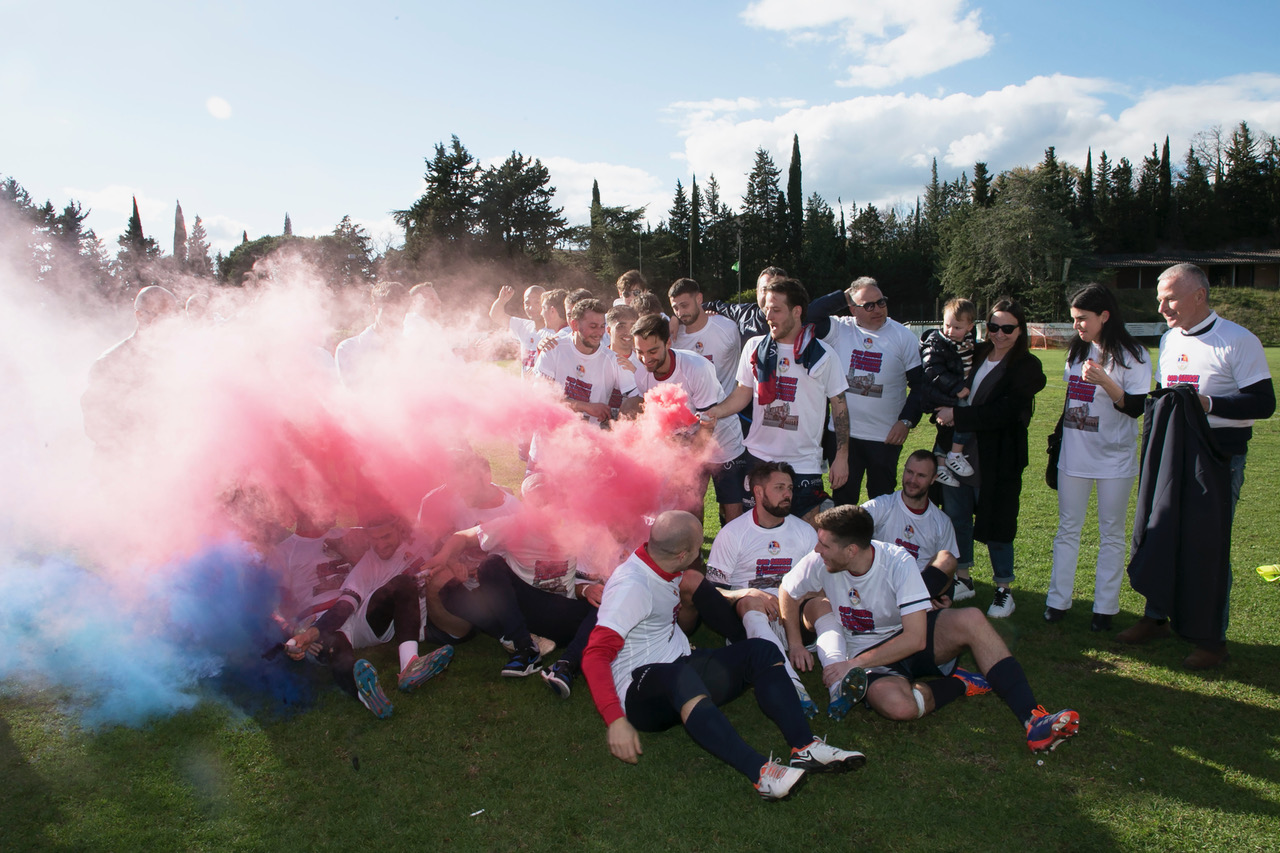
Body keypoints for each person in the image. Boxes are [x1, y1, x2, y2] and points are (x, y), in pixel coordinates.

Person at [581, 510, 866, 801]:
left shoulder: (661, 563)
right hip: (640, 691)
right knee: (680, 677)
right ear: (684, 554)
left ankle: (805, 747)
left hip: (679, 664)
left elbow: (697, 588)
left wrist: (744, 595)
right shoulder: (632, 587)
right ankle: (761, 774)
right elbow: (594, 655)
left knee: (762, 651)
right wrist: (615, 720)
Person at [779, 505, 1080, 753]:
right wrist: (794, 643)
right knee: (900, 708)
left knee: (971, 618)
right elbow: (787, 591)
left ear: (851, 550)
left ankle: (1033, 718)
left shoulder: (896, 561)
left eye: (824, 544)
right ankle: (961, 683)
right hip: (868, 654)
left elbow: (915, 637)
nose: (817, 549)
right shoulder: (820, 561)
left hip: (904, 642)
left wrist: (852, 664)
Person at [1118, 263, 1275, 669]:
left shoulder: (1238, 341)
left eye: (1170, 298)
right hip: (1173, 453)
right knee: (1161, 529)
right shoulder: (1170, 340)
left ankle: (1211, 639)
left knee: (1207, 543)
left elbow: (1263, 403)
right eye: (1159, 299)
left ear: (1199, 296)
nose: (1162, 307)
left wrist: (1209, 405)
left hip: (1218, 459)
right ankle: (1156, 618)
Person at [1046, 285, 1151, 631]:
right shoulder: (1077, 351)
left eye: (1082, 319)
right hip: (1074, 457)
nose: (1076, 325)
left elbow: (1136, 408)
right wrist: (1057, 447)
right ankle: (1057, 601)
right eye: (1074, 319)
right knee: (1067, 529)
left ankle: (1105, 608)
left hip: (1114, 460)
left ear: (1104, 316)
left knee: (1111, 533)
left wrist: (1107, 381)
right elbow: (1071, 404)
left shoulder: (1133, 354)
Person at [703, 278, 850, 523]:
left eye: (777, 309)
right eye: (766, 309)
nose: (768, 316)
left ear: (797, 311)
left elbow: (840, 406)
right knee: (757, 536)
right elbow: (742, 394)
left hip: (803, 463)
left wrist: (842, 457)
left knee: (805, 539)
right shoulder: (754, 346)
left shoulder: (823, 354)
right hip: (759, 458)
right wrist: (715, 411)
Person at [934, 298, 1046, 618]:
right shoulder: (978, 353)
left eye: (1007, 328)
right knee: (957, 518)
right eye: (993, 327)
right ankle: (964, 578)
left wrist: (959, 416)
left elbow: (1005, 412)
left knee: (998, 523)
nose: (999, 333)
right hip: (959, 453)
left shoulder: (1026, 367)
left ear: (1020, 330)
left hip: (997, 459)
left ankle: (1003, 589)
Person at [426, 475, 598, 684]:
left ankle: (566, 665)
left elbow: (592, 572)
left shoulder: (577, 528)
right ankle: (525, 648)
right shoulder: (514, 525)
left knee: (606, 603)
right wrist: (444, 556)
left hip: (561, 617)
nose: (544, 509)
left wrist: (589, 590)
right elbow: (463, 536)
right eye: (537, 503)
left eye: (550, 501)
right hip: (525, 610)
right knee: (487, 567)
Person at [285, 513, 454, 719]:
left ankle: (410, 665)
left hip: (360, 614)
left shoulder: (349, 533)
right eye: (374, 539)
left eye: (385, 537)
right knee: (335, 647)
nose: (379, 544)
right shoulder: (285, 550)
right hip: (325, 619)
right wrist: (302, 632)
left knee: (403, 583)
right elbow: (273, 604)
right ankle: (365, 694)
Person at [704, 462, 821, 716]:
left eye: (789, 488)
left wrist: (789, 599)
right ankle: (793, 685)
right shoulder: (733, 533)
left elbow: (819, 583)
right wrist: (746, 592)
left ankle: (839, 672)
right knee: (751, 602)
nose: (787, 494)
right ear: (758, 492)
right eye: (779, 488)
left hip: (794, 616)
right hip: (749, 619)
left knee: (823, 602)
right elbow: (712, 591)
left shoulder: (804, 532)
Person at [631, 312, 749, 523]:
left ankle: (732, 554)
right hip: (688, 443)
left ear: (668, 343)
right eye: (639, 351)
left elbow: (707, 424)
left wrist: (687, 465)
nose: (646, 359)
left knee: (731, 509)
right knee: (690, 505)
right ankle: (694, 555)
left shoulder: (696, 368)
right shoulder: (642, 375)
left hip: (722, 441)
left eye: (653, 351)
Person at [822, 277, 925, 503]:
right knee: (843, 503)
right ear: (852, 307)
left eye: (881, 302)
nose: (877, 309)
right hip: (843, 436)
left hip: (885, 438)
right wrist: (842, 296)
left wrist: (906, 420)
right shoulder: (840, 329)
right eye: (868, 305)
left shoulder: (903, 336)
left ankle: (878, 541)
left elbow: (920, 386)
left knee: (882, 503)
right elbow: (808, 315)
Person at [530, 298, 638, 465]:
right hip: (547, 449)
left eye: (602, 326)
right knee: (533, 489)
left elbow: (635, 399)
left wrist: (619, 423)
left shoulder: (612, 360)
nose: (599, 332)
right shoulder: (553, 349)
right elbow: (541, 398)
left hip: (586, 454)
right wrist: (586, 407)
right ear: (574, 325)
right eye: (593, 326)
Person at [82, 285, 179, 455]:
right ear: (140, 315)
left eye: (172, 318)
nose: (168, 325)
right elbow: (96, 424)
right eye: (161, 317)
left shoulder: (179, 359)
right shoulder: (110, 363)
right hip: (124, 466)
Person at [860, 450, 960, 606]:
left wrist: (942, 595)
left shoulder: (941, 522)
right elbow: (852, 521)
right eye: (909, 472)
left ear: (934, 479)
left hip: (919, 586)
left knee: (947, 558)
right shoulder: (883, 505)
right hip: (883, 583)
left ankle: (916, 604)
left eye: (921, 476)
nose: (912, 480)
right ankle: (917, 607)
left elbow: (948, 572)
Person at [919, 298, 979, 486]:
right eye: (947, 325)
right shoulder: (937, 342)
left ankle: (942, 467)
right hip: (946, 395)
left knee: (946, 431)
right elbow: (932, 370)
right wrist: (956, 389)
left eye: (957, 328)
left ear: (970, 326)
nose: (950, 331)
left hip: (955, 393)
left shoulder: (970, 341)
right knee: (963, 419)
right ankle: (955, 454)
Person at [670, 278, 743, 401]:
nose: (680, 312)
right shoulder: (674, 337)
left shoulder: (727, 328)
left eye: (684, 305)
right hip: (691, 415)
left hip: (725, 413)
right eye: (675, 308)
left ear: (699, 299)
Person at [334, 282, 411, 386]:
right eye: (389, 310)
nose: (394, 317)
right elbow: (354, 391)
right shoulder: (348, 348)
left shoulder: (409, 348)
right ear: (374, 308)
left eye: (401, 311)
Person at [489, 284, 548, 376]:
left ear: (545, 303)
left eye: (537, 302)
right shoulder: (524, 326)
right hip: (526, 389)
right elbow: (496, 315)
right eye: (527, 303)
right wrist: (501, 301)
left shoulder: (556, 331)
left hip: (547, 389)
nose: (531, 308)